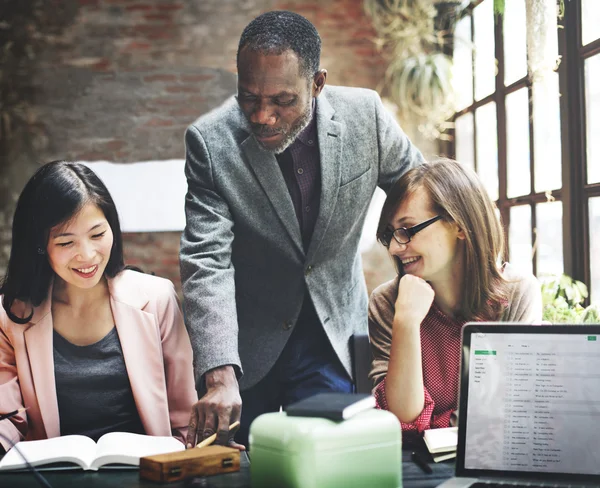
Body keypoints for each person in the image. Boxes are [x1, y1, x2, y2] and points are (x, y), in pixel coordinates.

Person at [181, 10, 424, 448]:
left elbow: (421, 190)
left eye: (282, 100)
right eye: (249, 98)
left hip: (333, 335)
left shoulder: (365, 115)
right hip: (246, 345)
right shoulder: (209, 143)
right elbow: (206, 261)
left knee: (329, 462)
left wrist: (412, 265)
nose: (263, 116)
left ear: (317, 83)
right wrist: (218, 374)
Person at [0, 161, 197, 453]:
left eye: (97, 235)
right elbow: (9, 420)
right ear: (39, 246)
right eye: (66, 242)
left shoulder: (157, 299)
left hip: (147, 473)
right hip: (54, 476)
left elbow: (184, 418)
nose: (88, 255)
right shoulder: (12, 315)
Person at [368, 158, 543, 443]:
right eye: (390, 234)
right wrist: (406, 322)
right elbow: (402, 416)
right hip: (415, 464)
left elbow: (509, 412)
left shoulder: (517, 293)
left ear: (459, 226)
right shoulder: (388, 302)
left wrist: (442, 427)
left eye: (408, 229)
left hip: (489, 458)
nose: (396, 247)